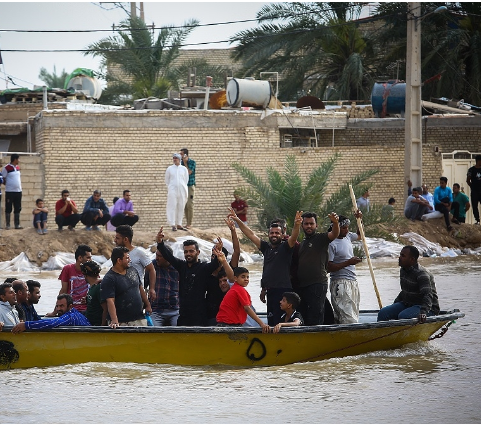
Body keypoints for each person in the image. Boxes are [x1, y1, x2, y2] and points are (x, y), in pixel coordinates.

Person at [228, 208, 303, 327]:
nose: (274, 235)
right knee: (271, 319)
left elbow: (293, 237)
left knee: (281, 322)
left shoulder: (286, 247)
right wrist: (238, 220)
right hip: (270, 290)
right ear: (268, 234)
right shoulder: (266, 248)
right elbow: (250, 234)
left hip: (283, 290)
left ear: (282, 234)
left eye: (277, 233)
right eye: (272, 233)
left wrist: (297, 225)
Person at [156, 228, 221, 326]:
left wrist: (218, 251)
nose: (188, 254)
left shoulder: (203, 268)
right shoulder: (182, 266)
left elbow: (215, 264)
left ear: (198, 252)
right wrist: (160, 242)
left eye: (191, 251)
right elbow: (169, 256)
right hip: (183, 315)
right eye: (186, 252)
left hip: (199, 315)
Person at [296, 211, 339, 326]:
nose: (309, 226)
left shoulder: (321, 238)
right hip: (303, 285)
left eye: (311, 223)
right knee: (305, 314)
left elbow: (334, 234)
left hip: (317, 284)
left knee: (316, 315)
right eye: (306, 224)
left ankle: (316, 337)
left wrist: (335, 223)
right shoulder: (303, 243)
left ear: (316, 225)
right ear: (302, 226)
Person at [377, 245, 440, 322]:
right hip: (408, 304)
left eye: (403, 256)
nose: (399, 258)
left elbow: (428, 295)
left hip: (428, 308)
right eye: (400, 255)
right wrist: (394, 305)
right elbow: (405, 292)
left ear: (412, 259)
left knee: (404, 316)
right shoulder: (403, 270)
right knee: (383, 313)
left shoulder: (421, 274)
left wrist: (423, 312)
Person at [100, 246, 152, 328]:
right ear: (119, 260)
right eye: (127, 258)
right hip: (122, 322)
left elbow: (140, 288)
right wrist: (114, 320)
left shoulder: (133, 270)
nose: (130, 260)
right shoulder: (109, 279)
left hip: (138, 318)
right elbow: (110, 301)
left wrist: (148, 305)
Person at [205, 216, 241, 325]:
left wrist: (233, 231)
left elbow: (237, 251)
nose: (215, 258)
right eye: (213, 255)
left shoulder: (229, 270)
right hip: (210, 313)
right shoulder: (206, 271)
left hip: (229, 313)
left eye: (217, 254)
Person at [328, 213, 362, 324]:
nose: (346, 230)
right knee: (348, 318)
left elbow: (360, 234)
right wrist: (349, 262)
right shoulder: (331, 243)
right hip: (340, 283)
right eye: (343, 228)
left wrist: (359, 219)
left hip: (352, 281)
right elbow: (329, 267)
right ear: (336, 228)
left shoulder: (347, 236)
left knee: (353, 312)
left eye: (347, 228)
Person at [216, 266, 270, 332]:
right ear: (235, 278)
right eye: (243, 277)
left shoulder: (235, 288)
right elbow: (247, 308)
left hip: (224, 323)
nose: (246, 279)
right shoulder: (239, 289)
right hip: (229, 325)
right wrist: (262, 324)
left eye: (247, 277)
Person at [46, 244, 92, 316]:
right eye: (88, 258)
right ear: (80, 258)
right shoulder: (68, 269)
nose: (90, 260)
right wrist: (54, 312)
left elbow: (95, 288)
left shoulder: (91, 270)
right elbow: (63, 291)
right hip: (71, 310)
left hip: (87, 310)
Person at [114, 224, 156, 300]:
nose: (115, 240)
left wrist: (152, 289)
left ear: (126, 239)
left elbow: (151, 269)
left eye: (117, 238)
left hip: (137, 295)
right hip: (121, 294)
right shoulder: (117, 254)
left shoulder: (139, 252)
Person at [11, 294, 90, 333]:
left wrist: (26, 325)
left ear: (70, 306)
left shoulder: (70, 316)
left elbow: (53, 323)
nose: (58, 309)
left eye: (62, 306)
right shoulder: (76, 313)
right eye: (57, 306)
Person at [146, 246, 180, 326]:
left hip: (174, 309)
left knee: (179, 333)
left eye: (160, 256)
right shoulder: (152, 267)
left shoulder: (177, 267)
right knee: (153, 334)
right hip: (156, 309)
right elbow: (143, 285)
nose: (157, 258)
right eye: (156, 255)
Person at [165, 153, 189, 231]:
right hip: (173, 189)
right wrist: (172, 186)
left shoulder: (184, 169)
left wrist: (181, 186)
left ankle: (179, 223)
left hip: (182, 189)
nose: (175, 159)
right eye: (174, 158)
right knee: (172, 206)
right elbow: (167, 180)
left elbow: (186, 179)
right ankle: (172, 224)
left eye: (176, 158)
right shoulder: (170, 168)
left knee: (181, 206)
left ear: (179, 159)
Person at [1, 153, 22, 229]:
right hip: (10, 191)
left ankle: (17, 224)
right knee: (8, 207)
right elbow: (3, 178)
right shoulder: (7, 168)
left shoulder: (17, 167)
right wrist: (7, 184)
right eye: (18, 159)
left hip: (18, 191)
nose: (19, 160)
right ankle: (8, 224)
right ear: (15, 159)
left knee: (18, 207)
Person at [83, 260, 107, 326]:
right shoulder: (92, 287)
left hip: (94, 324)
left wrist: (102, 327)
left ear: (85, 275)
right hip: (88, 320)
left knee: (72, 316)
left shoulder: (98, 287)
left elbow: (106, 309)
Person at [180, 147, 196, 229]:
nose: (181, 156)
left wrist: (185, 163)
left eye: (182, 154)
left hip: (190, 185)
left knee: (190, 204)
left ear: (186, 154)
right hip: (183, 186)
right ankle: (187, 223)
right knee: (185, 205)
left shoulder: (192, 162)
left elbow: (189, 172)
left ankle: (190, 223)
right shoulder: (180, 163)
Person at [467, 154, 481, 225]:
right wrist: (472, 186)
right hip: (475, 191)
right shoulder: (471, 170)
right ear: (478, 161)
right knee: (474, 206)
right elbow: (468, 180)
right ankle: (477, 220)